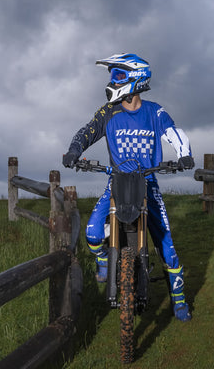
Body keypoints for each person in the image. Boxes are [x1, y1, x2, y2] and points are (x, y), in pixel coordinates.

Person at [62, 53, 195, 322]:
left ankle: (179, 299)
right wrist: (74, 150)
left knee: (167, 246)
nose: (113, 81)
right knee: (92, 233)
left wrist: (184, 154)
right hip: (117, 181)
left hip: (148, 184)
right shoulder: (108, 111)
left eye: (119, 76)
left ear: (136, 79)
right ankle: (103, 260)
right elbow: (88, 131)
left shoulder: (154, 111)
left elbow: (174, 132)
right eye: (113, 76)